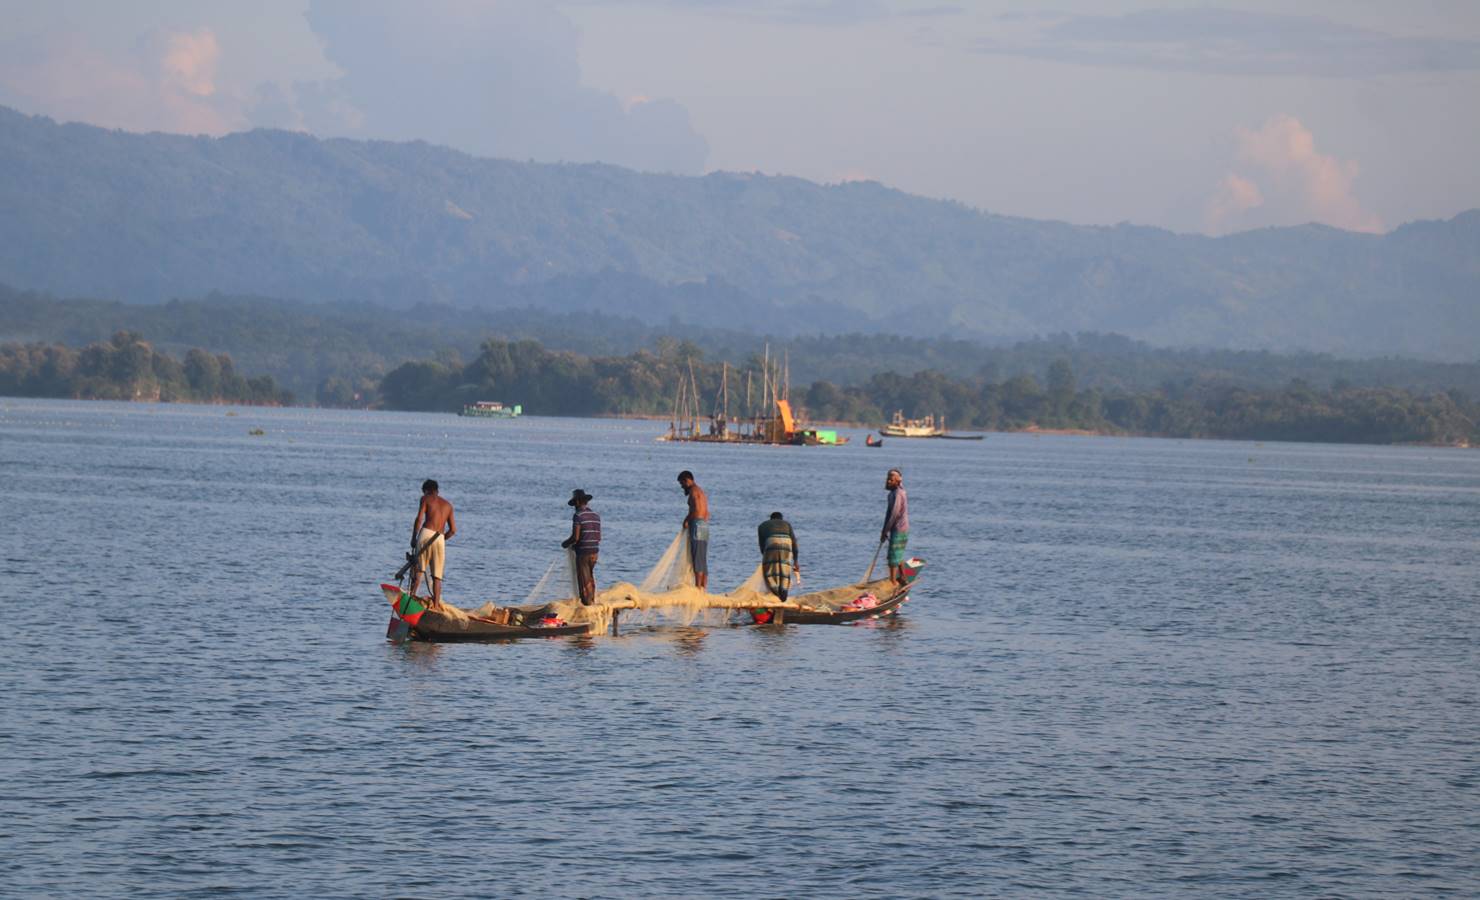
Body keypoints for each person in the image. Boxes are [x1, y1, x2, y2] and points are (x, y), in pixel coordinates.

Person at [411, 479, 456, 607]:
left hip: (426, 533)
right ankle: (436, 606)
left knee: (419, 570)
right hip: (439, 538)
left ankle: (411, 598)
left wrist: (414, 538)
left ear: (426, 491)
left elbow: (419, 519)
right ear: (437, 490)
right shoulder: (448, 505)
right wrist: (441, 539)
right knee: (437, 576)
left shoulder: (425, 499)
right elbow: (453, 530)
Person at [561, 488, 601, 606]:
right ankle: (592, 600)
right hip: (595, 552)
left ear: (578, 502)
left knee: (583, 580)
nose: (574, 507)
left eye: (574, 504)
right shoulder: (596, 515)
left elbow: (575, 537)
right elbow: (599, 537)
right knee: (589, 578)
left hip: (584, 553)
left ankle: (587, 606)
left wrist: (565, 544)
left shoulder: (578, 515)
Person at [677, 469, 709, 590]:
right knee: (702, 558)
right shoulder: (701, 492)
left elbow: (696, 510)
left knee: (697, 558)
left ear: (688, 480)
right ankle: (703, 587)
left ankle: (698, 588)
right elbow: (707, 513)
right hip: (704, 525)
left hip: (697, 525)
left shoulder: (694, 492)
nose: (682, 487)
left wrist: (687, 520)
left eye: (682, 483)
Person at [757, 511, 799, 603]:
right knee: (785, 568)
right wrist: (795, 561)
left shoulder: (762, 525)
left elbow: (762, 546)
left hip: (771, 542)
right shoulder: (787, 524)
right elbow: (794, 543)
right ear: (781, 519)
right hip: (787, 543)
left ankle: (775, 591)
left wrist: (767, 559)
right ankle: (783, 591)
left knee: (770, 570)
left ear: (771, 519)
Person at [880, 468, 909, 586]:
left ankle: (893, 582)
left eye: (891, 479)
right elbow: (888, 513)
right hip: (899, 527)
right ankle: (902, 577)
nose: (888, 481)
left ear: (898, 481)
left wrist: (886, 530)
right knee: (898, 552)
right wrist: (884, 531)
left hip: (899, 528)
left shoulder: (898, 493)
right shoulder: (891, 494)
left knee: (893, 556)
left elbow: (894, 514)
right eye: (887, 479)